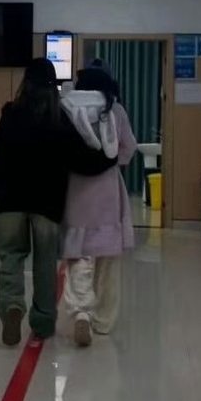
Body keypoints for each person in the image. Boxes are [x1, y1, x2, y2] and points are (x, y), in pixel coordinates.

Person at [0, 58, 117, 347]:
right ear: (53, 85)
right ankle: (43, 321)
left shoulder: (10, 114)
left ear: (26, 82)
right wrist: (109, 158)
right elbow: (81, 159)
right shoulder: (58, 118)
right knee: (45, 264)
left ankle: (12, 306)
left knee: (10, 258)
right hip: (47, 205)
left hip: (9, 202)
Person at [60, 67, 137, 347]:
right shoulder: (114, 110)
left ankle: (81, 311)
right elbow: (128, 147)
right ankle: (103, 321)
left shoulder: (66, 108)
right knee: (107, 261)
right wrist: (112, 163)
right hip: (107, 193)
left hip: (75, 192)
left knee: (78, 256)